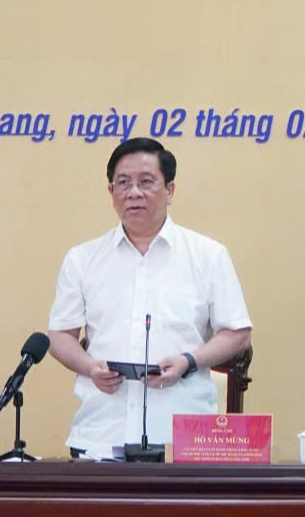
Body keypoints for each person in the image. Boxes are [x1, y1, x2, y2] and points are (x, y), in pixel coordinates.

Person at [47, 137, 253, 458]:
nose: (134, 193)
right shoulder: (82, 259)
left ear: (169, 190)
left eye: (146, 182)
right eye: (123, 183)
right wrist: (89, 367)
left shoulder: (208, 255)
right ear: (111, 192)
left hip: (182, 435)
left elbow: (237, 332)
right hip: (101, 432)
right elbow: (60, 335)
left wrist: (189, 362)